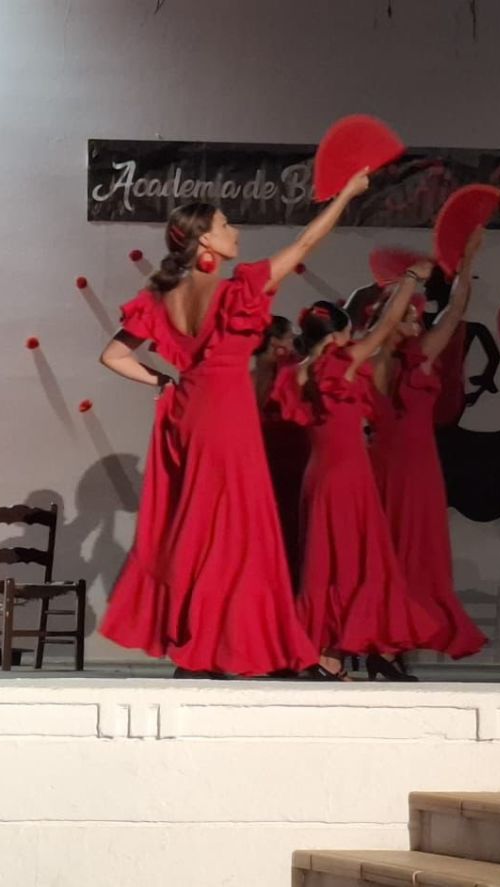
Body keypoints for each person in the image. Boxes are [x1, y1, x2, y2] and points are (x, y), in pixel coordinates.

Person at [96, 170, 370, 678]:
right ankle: (226, 644)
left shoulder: (163, 296)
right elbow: (308, 239)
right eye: (225, 224)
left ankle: (203, 642)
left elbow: (113, 356)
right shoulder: (239, 289)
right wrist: (347, 195)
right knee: (239, 532)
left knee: (204, 528)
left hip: (193, 413)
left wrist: (163, 384)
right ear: (204, 238)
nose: (235, 231)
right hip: (227, 417)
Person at [273, 279, 444, 681]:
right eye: (348, 330)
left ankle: (325, 653)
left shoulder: (298, 373)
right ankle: (334, 655)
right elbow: (384, 327)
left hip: (319, 476)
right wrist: (410, 282)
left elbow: (375, 326)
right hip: (349, 477)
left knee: (325, 564)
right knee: (355, 563)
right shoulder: (343, 362)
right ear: (337, 334)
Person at [366, 230, 489, 663]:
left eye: (419, 317)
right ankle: (380, 642)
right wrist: (407, 285)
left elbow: (456, 310)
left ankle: (398, 646)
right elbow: (384, 334)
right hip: (390, 466)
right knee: (391, 553)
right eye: (411, 317)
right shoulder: (378, 362)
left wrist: (468, 259)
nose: (419, 323)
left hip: (423, 467)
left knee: (422, 555)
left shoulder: (422, 354)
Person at [254, 316, 310, 583]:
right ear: (275, 342)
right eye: (289, 337)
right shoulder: (292, 373)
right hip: (291, 457)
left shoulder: (248, 378)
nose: (293, 342)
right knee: (294, 525)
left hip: (265, 461)